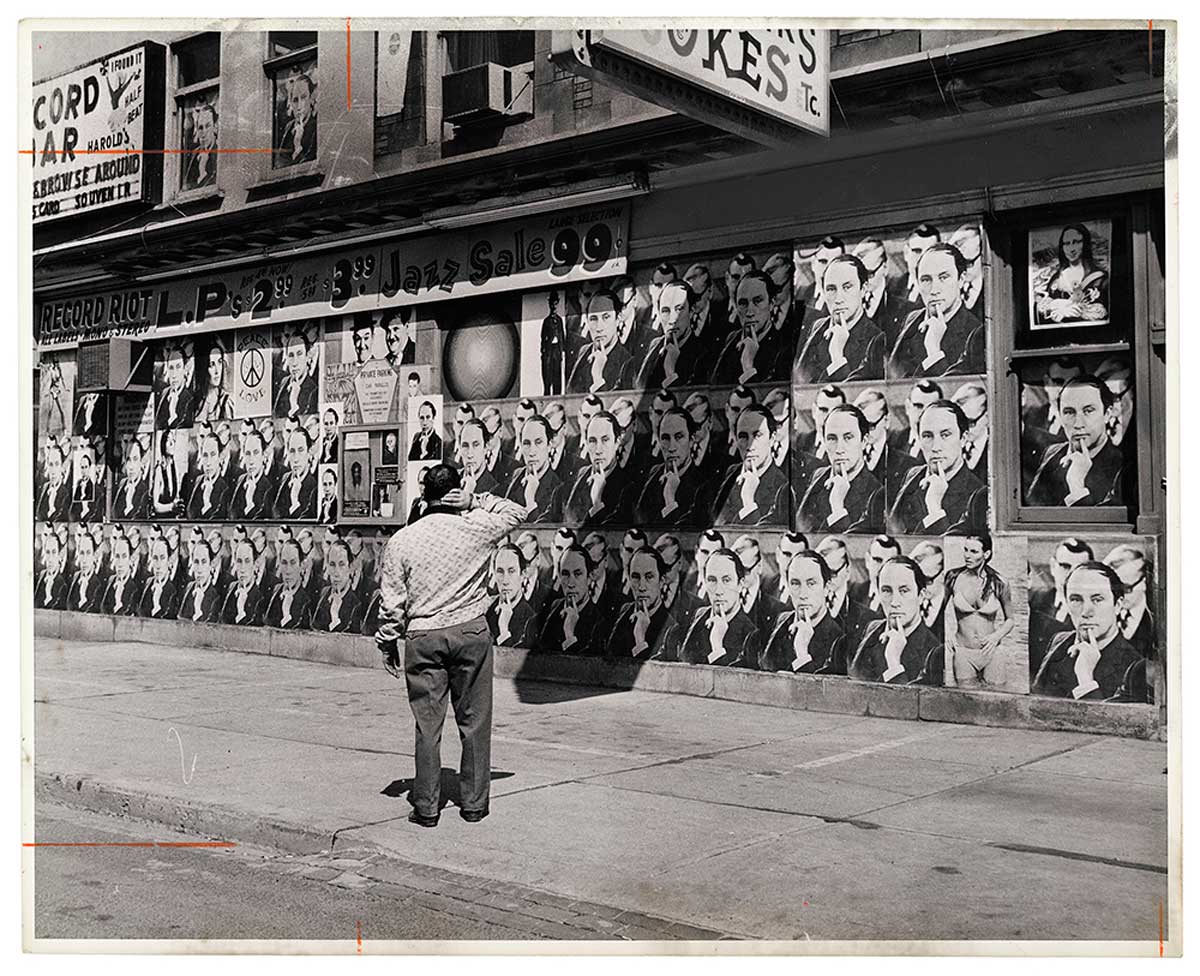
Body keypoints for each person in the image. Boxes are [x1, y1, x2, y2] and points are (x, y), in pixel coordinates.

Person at [374, 464, 530, 826]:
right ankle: (473, 804)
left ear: (424, 496)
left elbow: (392, 603)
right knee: (474, 721)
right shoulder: (475, 526)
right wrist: (475, 499)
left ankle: (426, 808)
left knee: (427, 725)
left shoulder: (403, 540)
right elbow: (518, 512)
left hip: (423, 635)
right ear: (455, 493)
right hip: (470, 632)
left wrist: (388, 642)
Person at [1032, 562, 1145, 701]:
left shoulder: (1135, 668)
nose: (1086, 611)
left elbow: (1113, 722)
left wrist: (1086, 680)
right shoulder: (1059, 640)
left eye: (1097, 599)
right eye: (1076, 599)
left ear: (1117, 605)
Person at [888, 399, 987, 535]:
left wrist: (935, 510)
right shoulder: (912, 474)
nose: (936, 447)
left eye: (945, 435)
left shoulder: (979, 496)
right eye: (927, 436)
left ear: (963, 438)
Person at [888, 243, 984, 378]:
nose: (934, 290)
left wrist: (934, 352)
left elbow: (960, 393)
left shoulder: (976, 333)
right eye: (926, 279)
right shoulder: (912, 319)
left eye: (943, 277)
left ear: (961, 279)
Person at [1027, 377, 1125, 507]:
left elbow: (1102, 526)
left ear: (1107, 414)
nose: (1078, 424)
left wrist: (1077, 488)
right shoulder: (1052, 452)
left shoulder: (1123, 467)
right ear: (1060, 416)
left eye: (1088, 411)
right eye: (1069, 412)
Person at [849, 556, 943, 685]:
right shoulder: (872, 628)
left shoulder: (935, 653)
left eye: (904, 591)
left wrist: (894, 665)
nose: (894, 602)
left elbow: (914, 704)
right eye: (887, 590)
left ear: (921, 596)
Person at [794, 254, 885, 383]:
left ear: (863, 289)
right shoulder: (817, 327)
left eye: (847, 287)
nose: (838, 299)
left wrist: (838, 359)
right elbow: (799, 386)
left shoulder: (876, 339)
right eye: (831, 289)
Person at [796, 404, 885, 534]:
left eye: (848, 438)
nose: (839, 449)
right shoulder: (817, 475)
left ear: (864, 441)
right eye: (832, 438)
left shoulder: (877, 494)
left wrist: (838, 508)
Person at [943, 533, 1014, 688]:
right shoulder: (953, 578)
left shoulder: (1000, 582)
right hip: (963, 652)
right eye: (966, 550)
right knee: (966, 701)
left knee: (997, 700)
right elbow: (938, 611)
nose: (967, 556)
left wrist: (996, 637)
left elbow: (1010, 620)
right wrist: (947, 633)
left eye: (973, 552)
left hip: (992, 652)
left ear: (986, 554)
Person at [761, 550, 847, 674]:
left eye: (811, 583)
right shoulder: (781, 621)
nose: (803, 594)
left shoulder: (840, 641)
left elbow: (824, 692)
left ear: (827, 588)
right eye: (795, 584)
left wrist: (802, 655)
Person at [712, 405, 794, 526]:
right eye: (743, 437)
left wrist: (749, 503)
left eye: (757, 435)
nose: (750, 445)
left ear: (772, 438)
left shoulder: (783, 487)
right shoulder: (730, 473)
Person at [678, 548, 759, 667]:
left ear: (740, 584)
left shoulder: (751, 636)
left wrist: (717, 649)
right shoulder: (699, 615)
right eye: (712, 580)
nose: (719, 590)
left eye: (726, 580)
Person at [634, 407, 710, 527]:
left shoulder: (704, 486)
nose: (671, 447)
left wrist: (670, 501)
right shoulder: (653, 473)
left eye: (679, 437)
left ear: (691, 440)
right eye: (665, 438)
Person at [714, 271, 793, 385]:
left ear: (771, 303)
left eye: (757, 301)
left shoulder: (785, 348)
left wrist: (748, 368)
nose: (750, 312)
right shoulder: (730, 340)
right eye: (743, 303)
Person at [604, 547, 682, 661]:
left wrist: (640, 642)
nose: (641, 587)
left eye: (649, 577)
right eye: (635, 577)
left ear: (661, 581)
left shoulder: (671, 629)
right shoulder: (625, 611)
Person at [636, 281, 712, 390]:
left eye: (679, 309)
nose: (672, 319)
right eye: (666, 311)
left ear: (691, 311)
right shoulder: (654, 346)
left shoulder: (703, 354)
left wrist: (670, 373)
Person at [563, 412, 635, 526]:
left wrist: (597, 504)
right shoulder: (580, 475)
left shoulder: (628, 487)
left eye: (605, 440)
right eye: (592, 441)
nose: (598, 450)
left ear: (617, 442)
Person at [1033, 223, 1108, 325]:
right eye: (1066, 243)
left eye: (1076, 242)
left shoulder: (1100, 279)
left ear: (1085, 244)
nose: (1071, 249)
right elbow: (1041, 317)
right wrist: (1058, 308)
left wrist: (1079, 312)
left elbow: (1105, 316)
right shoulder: (1056, 279)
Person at [536, 544, 602, 656]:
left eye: (578, 574)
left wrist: (569, 636)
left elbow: (588, 669)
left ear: (590, 577)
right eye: (565, 574)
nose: (571, 583)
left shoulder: (600, 622)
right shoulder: (555, 607)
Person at [567, 290, 634, 393]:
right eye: (593, 319)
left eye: (606, 317)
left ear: (618, 319)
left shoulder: (628, 363)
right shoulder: (583, 351)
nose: (599, 327)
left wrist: (598, 378)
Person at [501, 415, 563, 523]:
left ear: (549, 445)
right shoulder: (515, 476)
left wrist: (530, 502)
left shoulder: (558, 489)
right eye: (526, 443)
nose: (532, 451)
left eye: (538, 442)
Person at [730, 535, 788, 639]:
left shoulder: (778, 609)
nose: (739, 577)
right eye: (735, 570)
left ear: (759, 566)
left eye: (745, 570)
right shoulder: (725, 600)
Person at [486, 543, 537, 647]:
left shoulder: (531, 621)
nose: (505, 581)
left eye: (511, 571)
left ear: (522, 575)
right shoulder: (488, 611)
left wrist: (504, 631)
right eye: (500, 572)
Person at [264, 540, 312, 629]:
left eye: (293, 563)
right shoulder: (275, 592)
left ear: (301, 565)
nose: (288, 570)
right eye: (284, 563)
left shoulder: (307, 601)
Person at [891, 222, 941, 307]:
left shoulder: (941, 290)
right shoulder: (892, 287)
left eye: (929, 252)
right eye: (917, 251)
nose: (923, 259)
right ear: (906, 253)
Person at [273, 428, 318, 520]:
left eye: (301, 450)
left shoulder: (315, 485)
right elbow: (275, 511)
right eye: (292, 451)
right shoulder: (285, 478)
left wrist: (294, 501)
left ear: (309, 452)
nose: (296, 458)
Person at [186, 432, 230, 520]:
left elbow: (217, 518)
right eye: (205, 455)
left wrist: (206, 502)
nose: (208, 462)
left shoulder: (225, 488)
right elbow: (190, 512)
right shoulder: (198, 480)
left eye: (213, 455)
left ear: (220, 457)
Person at [276, 71, 317, 167]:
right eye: (295, 100)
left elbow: (307, 165)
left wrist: (298, 146)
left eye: (303, 98)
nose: (299, 106)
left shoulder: (316, 127)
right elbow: (279, 162)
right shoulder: (289, 127)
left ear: (311, 99)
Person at [274, 331, 319, 417]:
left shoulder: (314, 390)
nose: (294, 363)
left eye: (299, 354)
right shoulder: (283, 382)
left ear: (307, 356)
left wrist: (294, 405)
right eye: (291, 355)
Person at [221, 539, 264, 626]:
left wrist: (241, 611)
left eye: (247, 561)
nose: (243, 568)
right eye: (239, 561)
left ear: (255, 564)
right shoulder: (230, 589)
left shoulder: (261, 598)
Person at [178, 539, 221, 623]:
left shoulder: (217, 596)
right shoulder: (189, 588)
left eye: (204, 562)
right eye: (196, 562)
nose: (199, 569)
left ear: (211, 564)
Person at [155, 344, 195, 429]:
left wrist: (173, 414)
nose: (174, 375)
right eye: (171, 368)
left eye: (178, 367)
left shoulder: (190, 399)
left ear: (185, 369)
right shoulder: (164, 393)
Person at [100, 532, 140, 615]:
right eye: (117, 556)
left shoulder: (136, 588)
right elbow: (103, 607)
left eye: (124, 556)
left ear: (130, 559)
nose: (120, 563)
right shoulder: (111, 580)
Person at [138, 538, 179, 620]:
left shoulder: (174, 591)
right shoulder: (148, 583)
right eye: (155, 558)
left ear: (169, 560)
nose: (158, 565)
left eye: (162, 558)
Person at [182, 100, 218, 190]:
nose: (204, 132)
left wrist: (203, 171)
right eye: (200, 128)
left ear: (215, 128)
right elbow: (186, 187)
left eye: (208, 126)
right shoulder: (195, 154)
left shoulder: (219, 153)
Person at [67, 530, 105, 613]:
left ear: (94, 555)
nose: (84, 559)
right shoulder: (75, 577)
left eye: (88, 553)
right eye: (82, 553)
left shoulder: (99, 585)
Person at [196, 338, 233, 422]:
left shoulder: (226, 401)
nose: (217, 371)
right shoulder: (197, 400)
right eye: (212, 364)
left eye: (219, 362)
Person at [152, 429, 185, 519]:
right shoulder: (159, 470)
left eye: (173, 441)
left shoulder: (174, 468)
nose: (172, 444)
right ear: (163, 445)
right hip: (161, 520)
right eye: (168, 441)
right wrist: (171, 507)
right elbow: (155, 506)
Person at [36, 439, 71, 522]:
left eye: (57, 464)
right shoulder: (43, 488)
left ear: (62, 466)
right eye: (51, 464)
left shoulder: (67, 493)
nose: (53, 470)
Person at [540, 289, 566, 395]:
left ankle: (557, 396)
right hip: (549, 351)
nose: (554, 306)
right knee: (547, 377)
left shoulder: (559, 320)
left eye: (555, 303)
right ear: (549, 304)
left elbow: (562, 335)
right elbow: (543, 337)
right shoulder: (546, 321)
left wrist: (562, 350)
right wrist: (544, 351)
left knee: (557, 376)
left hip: (557, 351)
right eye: (552, 304)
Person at [70, 440, 99, 523]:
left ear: (90, 467)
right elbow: (72, 511)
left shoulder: (97, 490)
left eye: (86, 467)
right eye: (82, 467)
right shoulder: (78, 485)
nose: (84, 471)